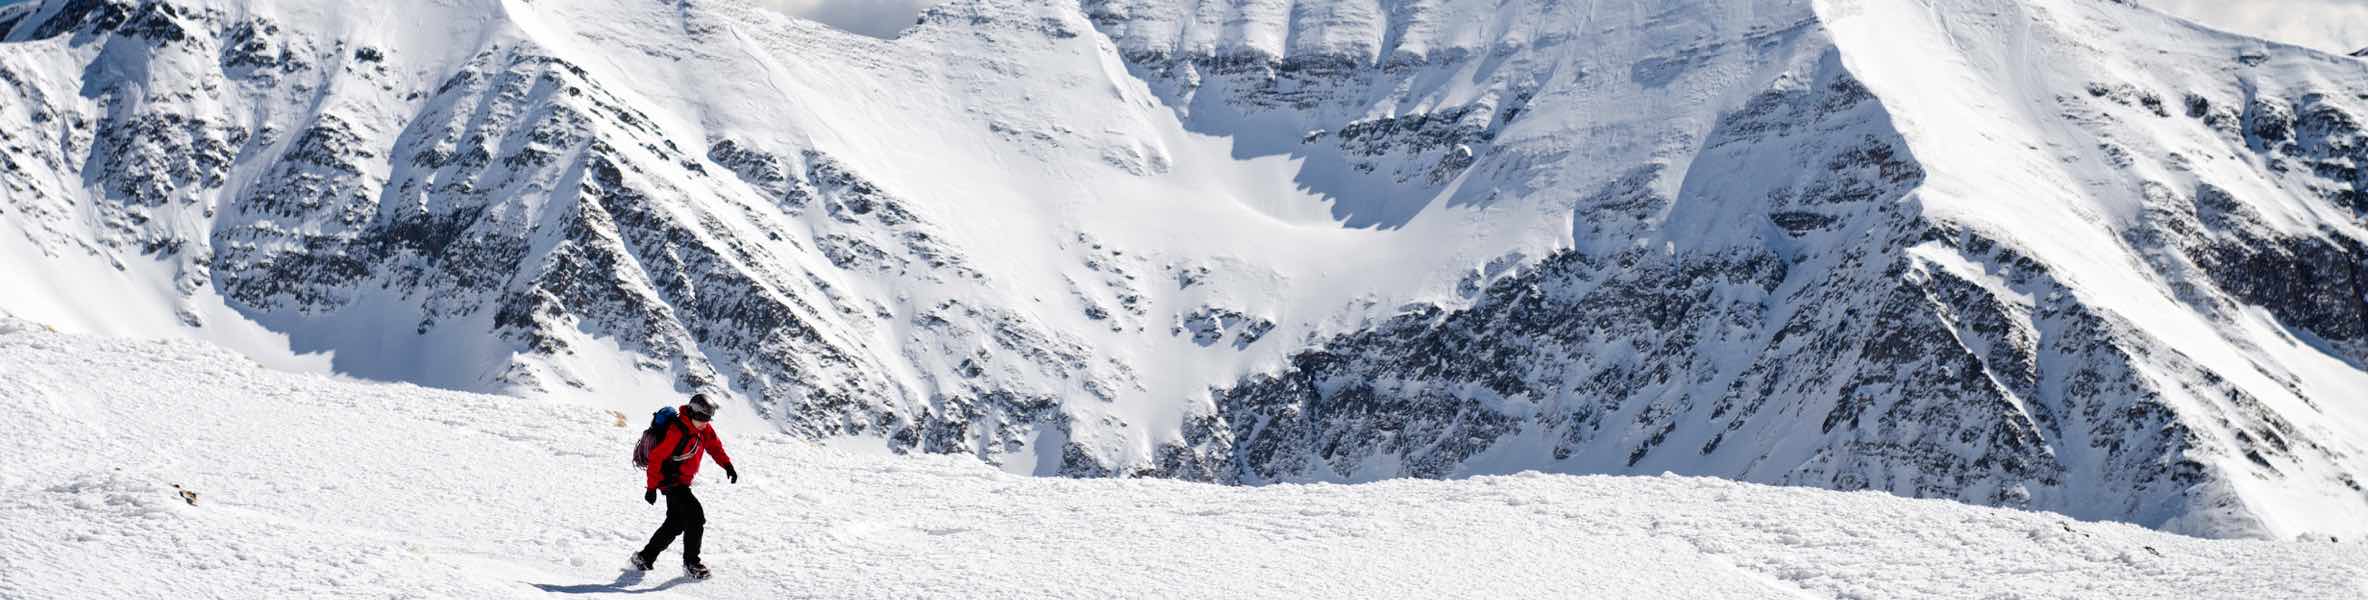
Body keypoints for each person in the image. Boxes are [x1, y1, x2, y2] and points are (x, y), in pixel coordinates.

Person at [630, 393, 737, 579]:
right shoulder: (676, 431)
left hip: (682, 481)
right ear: (693, 413)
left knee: (675, 523)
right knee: (696, 517)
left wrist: (727, 465)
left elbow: (714, 446)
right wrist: (651, 488)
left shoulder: (703, 429)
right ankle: (691, 563)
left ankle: (644, 557)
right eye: (703, 418)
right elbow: (656, 458)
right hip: (671, 481)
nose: (706, 422)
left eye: (708, 418)